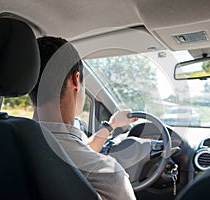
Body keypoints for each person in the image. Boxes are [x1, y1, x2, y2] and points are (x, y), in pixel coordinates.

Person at [29, 36, 137, 200]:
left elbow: (74, 151)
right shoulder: (109, 175)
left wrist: (112, 125)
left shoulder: (3, 143)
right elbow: (75, 156)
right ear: (75, 80)